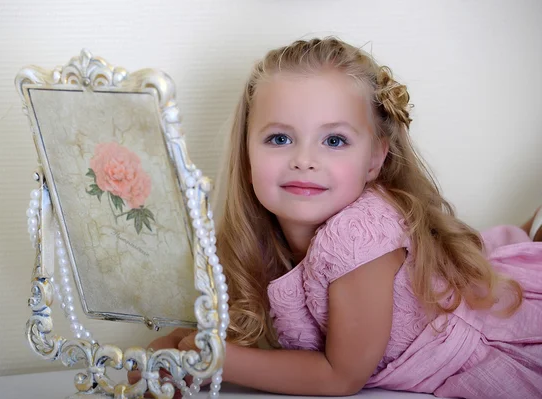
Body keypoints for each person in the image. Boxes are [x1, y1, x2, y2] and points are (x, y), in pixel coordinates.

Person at [129, 37, 542, 398]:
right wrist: (177, 350)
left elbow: (340, 376)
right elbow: (263, 344)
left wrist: (211, 360)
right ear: (247, 152)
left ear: (376, 158)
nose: (305, 160)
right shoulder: (259, 235)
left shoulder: (357, 236)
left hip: (488, 349)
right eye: (279, 138)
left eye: (334, 140)